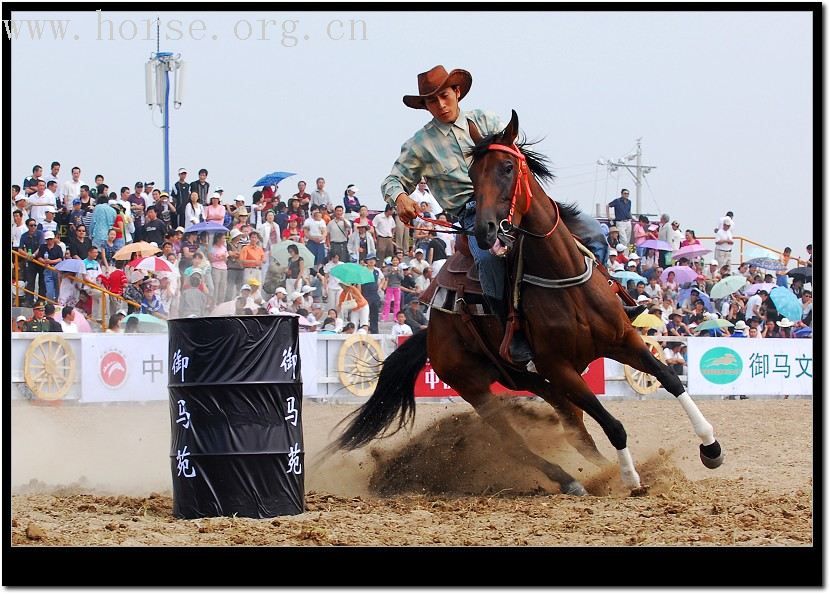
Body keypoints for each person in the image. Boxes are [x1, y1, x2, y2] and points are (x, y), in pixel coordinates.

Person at [381, 65, 641, 368]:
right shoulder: (419, 145)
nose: (440, 105)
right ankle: (513, 332)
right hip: (472, 213)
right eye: (431, 101)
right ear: (424, 106)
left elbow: (513, 162)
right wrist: (400, 197)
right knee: (491, 261)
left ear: (457, 92)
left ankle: (612, 299)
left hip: (517, 201)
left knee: (592, 231)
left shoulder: (486, 120)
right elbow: (393, 180)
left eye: (444, 96)